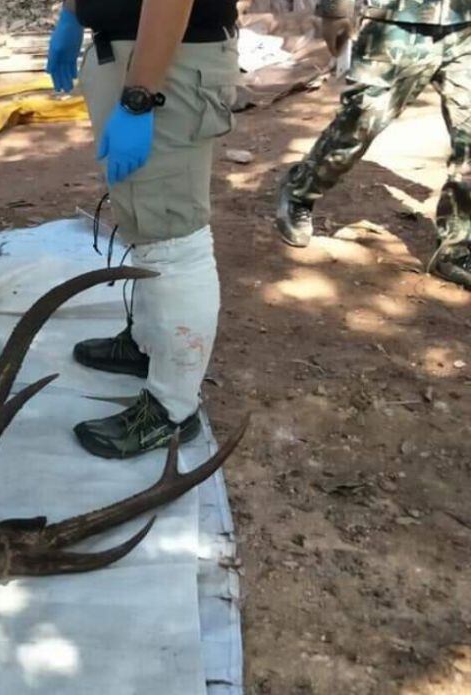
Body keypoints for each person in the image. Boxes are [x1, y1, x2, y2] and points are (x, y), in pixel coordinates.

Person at [46, 0, 239, 458]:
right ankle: (147, 343)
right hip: (142, 62)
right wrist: (74, 13)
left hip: (166, 67)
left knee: (173, 237)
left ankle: (173, 409)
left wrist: (138, 99)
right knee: (146, 222)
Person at [275, 0, 471, 289]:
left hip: (464, 26)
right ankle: (299, 190)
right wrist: (335, 10)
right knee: (358, 126)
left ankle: (456, 247)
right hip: (396, 24)